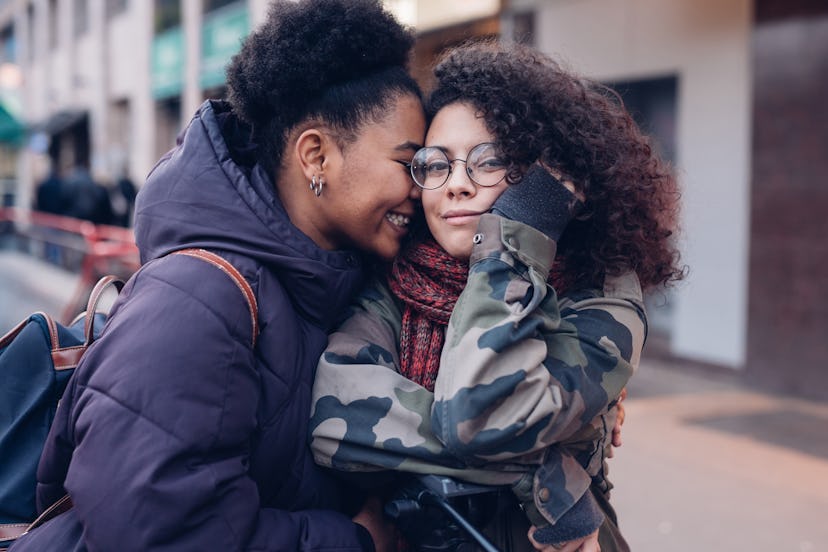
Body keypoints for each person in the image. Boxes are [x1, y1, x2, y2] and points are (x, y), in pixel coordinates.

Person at [10, 0, 425, 550]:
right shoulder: (200, 298)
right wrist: (354, 541)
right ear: (316, 156)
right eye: (409, 162)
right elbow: (159, 533)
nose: (422, 190)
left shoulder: (329, 287)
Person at [310, 40, 684, 551]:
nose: (456, 185)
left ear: (543, 178)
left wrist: (513, 240)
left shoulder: (601, 291)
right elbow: (334, 419)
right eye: (435, 163)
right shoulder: (397, 282)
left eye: (488, 161)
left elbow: (478, 418)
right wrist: (549, 475)